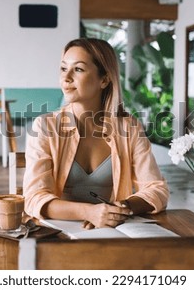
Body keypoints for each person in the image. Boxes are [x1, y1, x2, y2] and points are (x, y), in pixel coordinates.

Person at [23, 38, 169, 229]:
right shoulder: (44, 126)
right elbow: (33, 198)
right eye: (63, 68)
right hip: (57, 234)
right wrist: (89, 212)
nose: (66, 78)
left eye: (78, 69)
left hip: (111, 232)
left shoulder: (129, 128)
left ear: (104, 79)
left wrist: (121, 208)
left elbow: (157, 189)